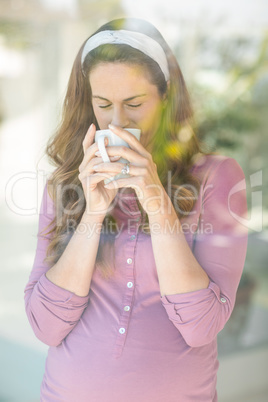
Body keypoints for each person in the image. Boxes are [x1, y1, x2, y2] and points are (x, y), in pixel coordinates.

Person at [24, 18, 248, 402]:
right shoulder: (66, 183)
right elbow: (45, 327)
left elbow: (201, 327)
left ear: (166, 100)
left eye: (134, 104)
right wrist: (93, 213)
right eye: (103, 104)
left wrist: (156, 201)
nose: (117, 122)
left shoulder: (217, 176)